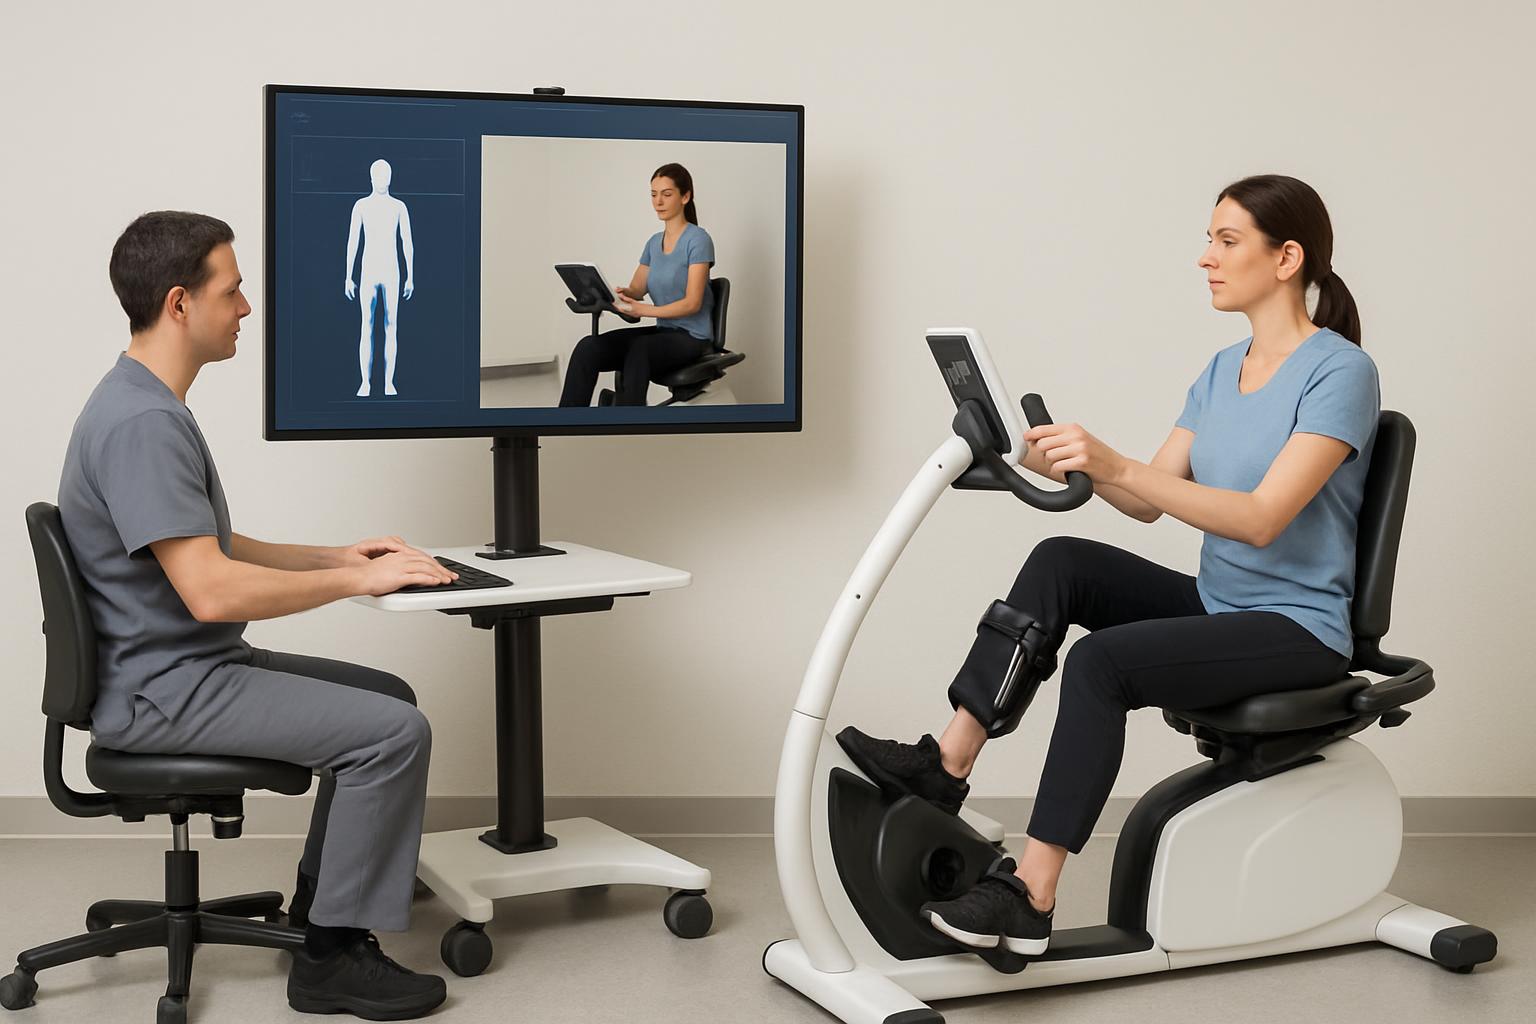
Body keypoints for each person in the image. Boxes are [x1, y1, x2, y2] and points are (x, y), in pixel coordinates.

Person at [839, 174, 1379, 958]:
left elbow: (1263, 518)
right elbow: (1147, 500)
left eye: (1227, 241)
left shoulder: (1341, 371)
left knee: (1100, 663)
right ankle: (946, 764)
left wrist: (1117, 463)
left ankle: (1031, 896)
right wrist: (1072, 464)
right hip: (1222, 603)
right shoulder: (1221, 370)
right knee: (1061, 560)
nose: (1206, 258)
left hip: (1298, 629)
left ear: (1286, 257)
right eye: (1208, 240)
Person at [58, 211, 455, 1018]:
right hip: (167, 690)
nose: (245, 308)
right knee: (392, 734)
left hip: (177, 668)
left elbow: (207, 543)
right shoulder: (143, 422)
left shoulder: (140, 400)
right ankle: (331, 958)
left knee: (388, 697)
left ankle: (321, 908)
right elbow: (212, 591)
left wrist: (338, 557)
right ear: (180, 303)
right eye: (232, 291)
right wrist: (357, 584)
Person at [558, 162, 716, 407]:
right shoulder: (654, 243)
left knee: (640, 349)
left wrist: (644, 310)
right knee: (588, 347)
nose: (658, 201)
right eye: (653, 194)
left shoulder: (698, 239)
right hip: (663, 333)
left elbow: (692, 303)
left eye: (666, 194)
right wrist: (615, 294)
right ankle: (567, 422)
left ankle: (629, 420)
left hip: (692, 338)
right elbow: (637, 289)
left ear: (685, 197)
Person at [345, 158, 415, 397]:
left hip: (391, 271)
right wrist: (348, 276)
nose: (383, 180)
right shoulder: (361, 206)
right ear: (372, 177)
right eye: (379, 175)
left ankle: (388, 382)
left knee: (391, 325)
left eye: (386, 175)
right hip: (369, 271)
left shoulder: (399, 207)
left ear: (391, 177)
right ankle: (365, 382)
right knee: (366, 324)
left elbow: (407, 242)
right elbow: (353, 241)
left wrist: (410, 276)